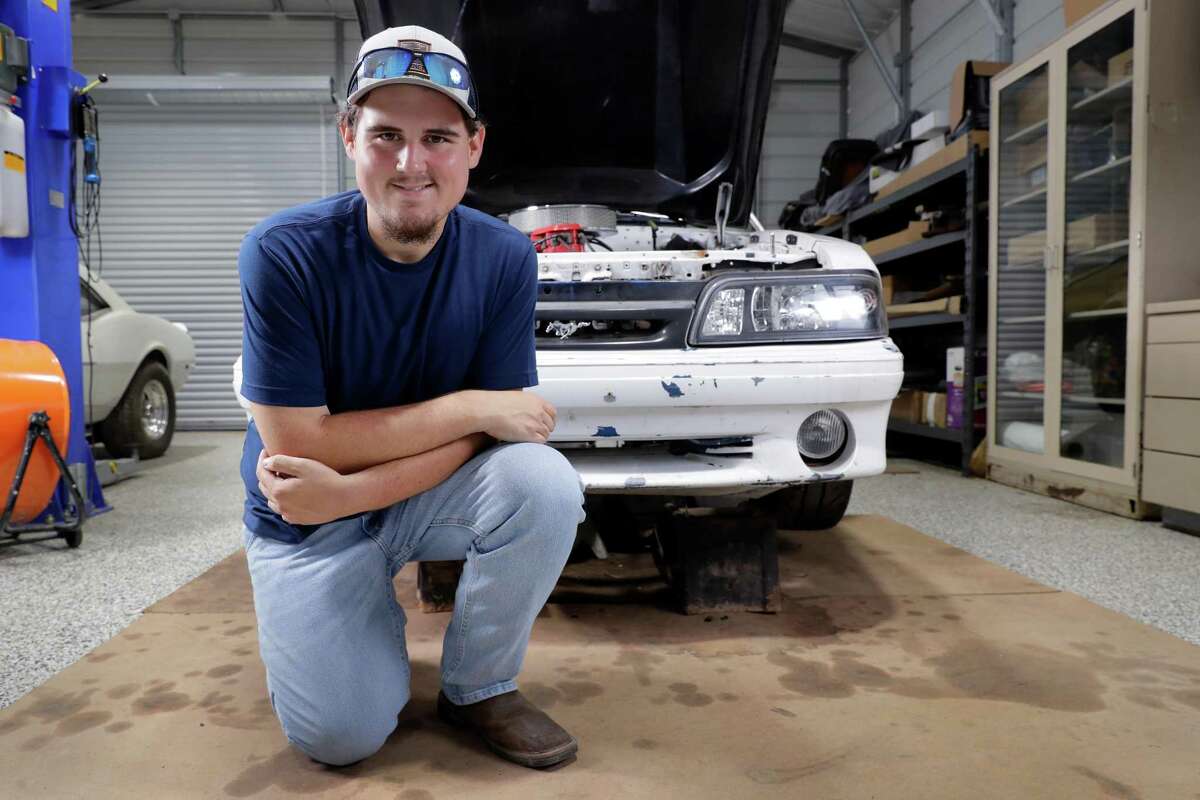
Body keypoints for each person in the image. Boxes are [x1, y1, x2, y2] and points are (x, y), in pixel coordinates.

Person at [236, 24, 585, 770]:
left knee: (543, 484)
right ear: (347, 135)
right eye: (386, 135)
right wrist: (472, 408)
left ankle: (477, 686)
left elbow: (505, 432)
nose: (411, 164)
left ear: (475, 147)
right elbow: (299, 445)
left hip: (364, 492)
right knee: (341, 737)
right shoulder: (283, 255)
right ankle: (337, 637)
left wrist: (357, 486)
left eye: (438, 138)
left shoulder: (504, 257)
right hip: (307, 514)